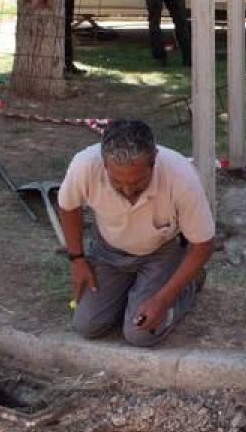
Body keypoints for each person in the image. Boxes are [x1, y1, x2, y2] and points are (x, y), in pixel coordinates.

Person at [58, 119, 213, 346]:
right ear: (104, 165)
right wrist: (77, 259)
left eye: (139, 181)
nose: (128, 191)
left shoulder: (181, 176)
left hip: (161, 254)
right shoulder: (84, 166)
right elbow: (67, 206)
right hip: (108, 251)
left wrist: (164, 299)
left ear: (154, 161)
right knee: (87, 326)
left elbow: (203, 245)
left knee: (139, 332)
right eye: (117, 182)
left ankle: (188, 285)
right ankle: (134, 289)